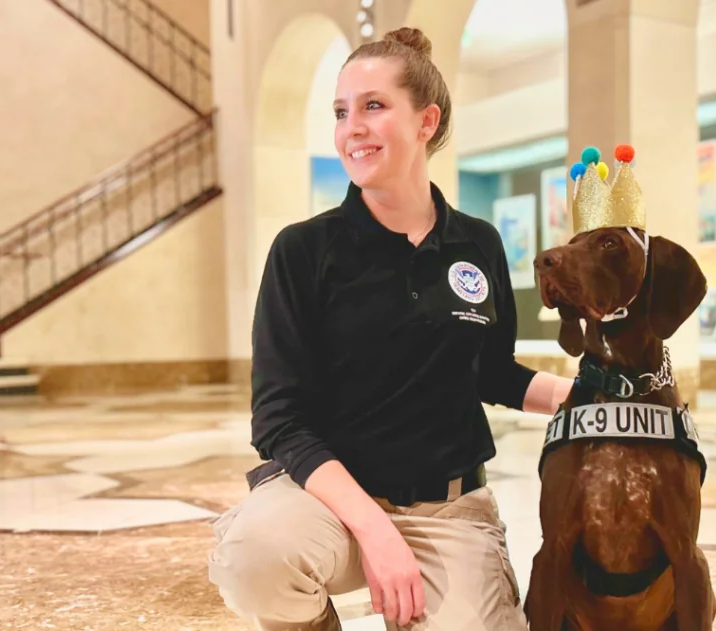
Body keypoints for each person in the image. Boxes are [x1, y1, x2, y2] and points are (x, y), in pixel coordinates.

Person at [208, 26, 573, 630]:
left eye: (374, 106)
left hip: (448, 508)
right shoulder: (303, 250)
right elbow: (278, 418)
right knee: (256, 558)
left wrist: (585, 396)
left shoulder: (476, 242)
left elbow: (491, 370)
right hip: (326, 500)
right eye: (341, 111)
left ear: (426, 122)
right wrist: (375, 532)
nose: (352, 127)